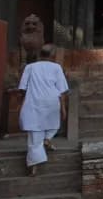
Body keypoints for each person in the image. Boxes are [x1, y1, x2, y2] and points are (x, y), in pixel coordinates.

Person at [17, 44, 68, 177]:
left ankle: (34, 166)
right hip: (52, 101)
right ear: (53, 56)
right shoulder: (57, 67)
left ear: (41, 54)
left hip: (33, 101)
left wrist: (22, 102)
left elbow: (22, 88)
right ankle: (47, 139)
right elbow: (62, 90)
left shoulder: (30, 67)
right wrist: (63, 107)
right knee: (53, 125)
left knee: (35, 135)